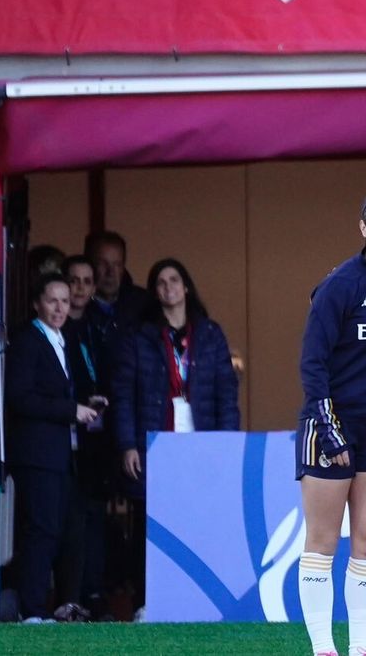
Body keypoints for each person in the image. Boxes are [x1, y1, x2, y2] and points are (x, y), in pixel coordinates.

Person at [295, 185, 366, 656]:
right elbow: (312, 364)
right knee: (322, 541)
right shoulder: (339, 285)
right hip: (328, 427)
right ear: (363, 227)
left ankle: (361, 648)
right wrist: (328, 428)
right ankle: (325, 649)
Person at [111, 258, 241, 616]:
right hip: (154, 441)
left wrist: (226, 444)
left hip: (201, 443)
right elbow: (124, 394)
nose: (168, 288)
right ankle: (145, 603)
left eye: (174, 280)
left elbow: (226, 393)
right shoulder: (141, 336)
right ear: (155, 292)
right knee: (150, 524)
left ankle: (200, 600)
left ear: (186, 287)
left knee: (201, 520)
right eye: (161, 283)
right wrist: (127, 444)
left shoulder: (210, 334)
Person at [6, 274, 103, 622]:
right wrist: (69, 410)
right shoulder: (28, 340)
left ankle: (58, 606)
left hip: (61, 456)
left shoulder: (61, 339)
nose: (60, 308)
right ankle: (30, 610)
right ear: (37, 303)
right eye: (52, 301)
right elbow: (19, 396)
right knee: (41, 530)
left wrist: (83, 403)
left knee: (62, 532)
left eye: (65, 301)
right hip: (37, 455)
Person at [58, 254, 114, 621]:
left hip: (95, 438)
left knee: (94, 517)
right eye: (73, 281)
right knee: (64, 518)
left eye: (86, 281)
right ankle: (66, 596)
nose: (79, 289)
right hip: (60, 435)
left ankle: (93, 595)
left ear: (94, 288)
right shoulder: (54, 327)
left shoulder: (101, 326)